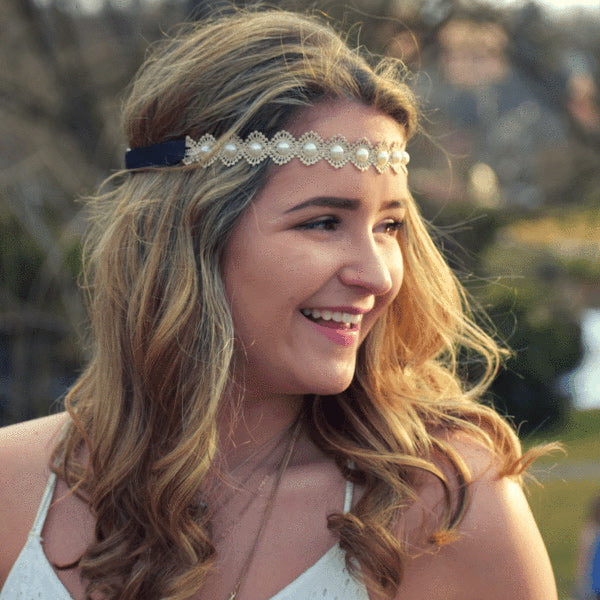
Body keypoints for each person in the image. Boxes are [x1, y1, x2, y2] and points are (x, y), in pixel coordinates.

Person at [0, 8, 557, 600]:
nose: (377, 275)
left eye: (389, 227)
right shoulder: (12, 488)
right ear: (191, 237)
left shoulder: (445, 510)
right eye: (323, 223)